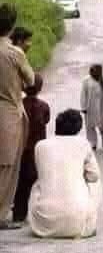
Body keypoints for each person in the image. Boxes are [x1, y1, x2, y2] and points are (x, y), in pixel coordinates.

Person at [28, 109, 102, 239]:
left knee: (39, 183)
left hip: (44, 224)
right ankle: (87, 221)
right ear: (78, 129)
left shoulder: (40, 145)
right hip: (77, 224)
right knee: (96, 183)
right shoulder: (83, 144)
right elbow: (94, 176)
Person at [0, 4, 35, 230]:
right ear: (12, 27)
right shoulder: (14, 53)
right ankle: (1, 214)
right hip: (8, 113)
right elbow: (30, 80)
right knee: (7, 166)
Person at [13, 72, 50, 222]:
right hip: (38, 149)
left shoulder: (18, 105)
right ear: (40, 88)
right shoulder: (44, 106)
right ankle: (39, 214)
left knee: (21, 182)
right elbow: (46, 120)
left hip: (21, 148)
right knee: (38, 182)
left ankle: (18, 214)